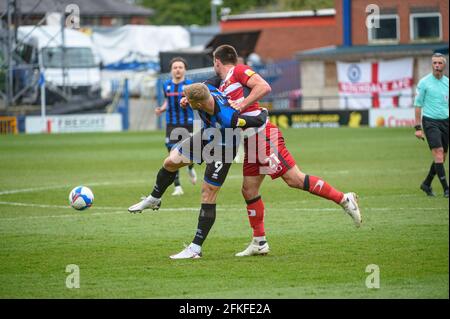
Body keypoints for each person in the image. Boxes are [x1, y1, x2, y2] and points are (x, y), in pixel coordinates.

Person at [211, 44, 362, 257]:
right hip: (250, 141)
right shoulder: (225, 81)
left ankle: (344, 199)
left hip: (263, 136)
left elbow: (263, 87)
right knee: (249, 190)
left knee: (294, 179)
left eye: (213, 62)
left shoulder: (239, 70)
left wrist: (241, 105)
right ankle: (259, 242)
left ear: (217, 61)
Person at [128, 83, 268, 259]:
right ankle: (154, 199)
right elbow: (202, 86)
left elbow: (258, 121)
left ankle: (195, 249)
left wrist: (263, 112)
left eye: (189, 100)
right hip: (207, 134)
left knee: (207, 193)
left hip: (223, 148)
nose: (186, 101)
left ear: (199, 104)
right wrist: (186, 98)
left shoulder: (227, 117)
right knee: (171, 161)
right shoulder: (206, 88)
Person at [156, 57, 197, 196]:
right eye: (175, 67)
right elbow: (167, 101)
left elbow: (195, 103)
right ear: (171, 70)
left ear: (185, 69)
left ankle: (190, 168)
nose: (178, 69)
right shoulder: (166, 84)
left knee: (187, 152)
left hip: (188, 123)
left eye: (180, 67)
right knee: (172, 154)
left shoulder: (190, 85)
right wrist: (161, 109)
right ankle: (177, 186)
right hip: (172, 123)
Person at [414, 52, 449, 198]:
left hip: (445, 122)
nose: (437, 66)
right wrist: (417, 128)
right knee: (439, 152)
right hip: (430, 121)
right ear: (431, 64)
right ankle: (446, 189)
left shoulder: (447, 83)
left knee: (442, 157)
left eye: (439, 63)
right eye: (434, 63)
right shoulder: (424, 83)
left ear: (444, 65)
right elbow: (418, 105)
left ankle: (426, 183)